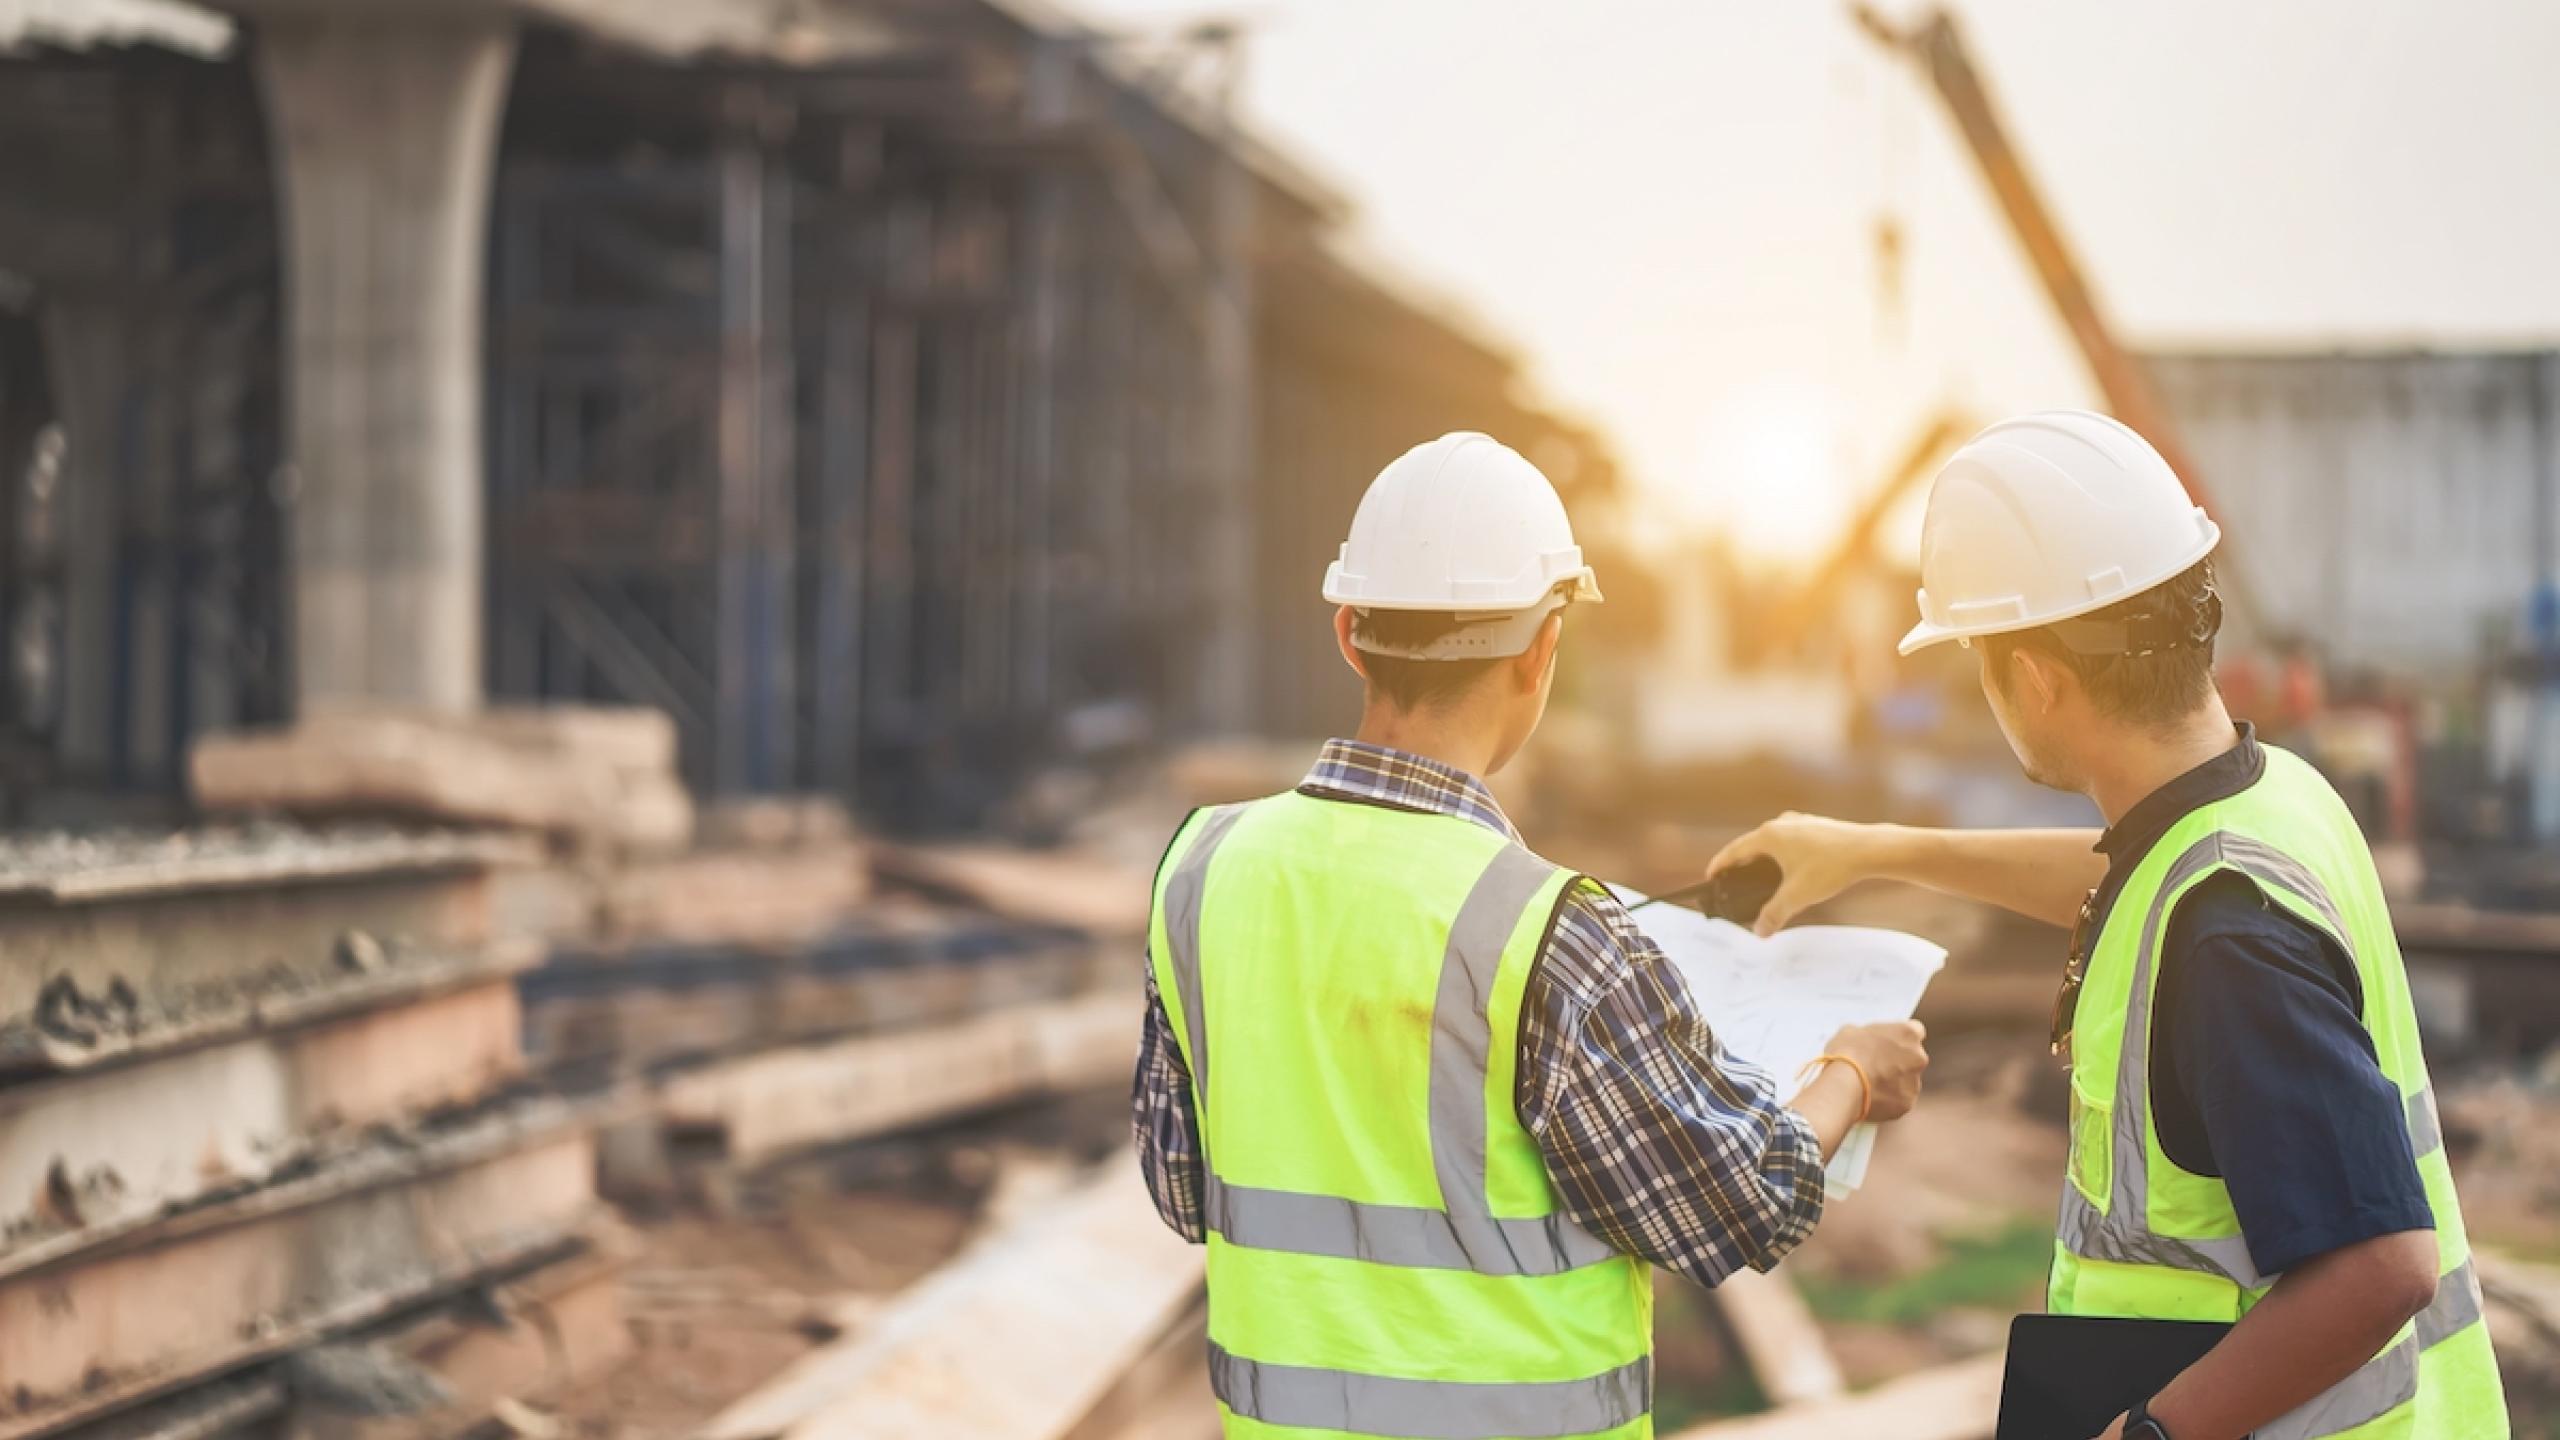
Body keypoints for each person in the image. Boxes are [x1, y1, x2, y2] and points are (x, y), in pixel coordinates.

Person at [1706, 411, 2507, 1440]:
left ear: (2035, 679)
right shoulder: (2267, 802)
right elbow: (2125, 880)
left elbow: (2381, 1265)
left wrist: (2150, 1435)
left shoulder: (2227, 940)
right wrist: (1871, 849)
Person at [1133, 431, 1930, 1439]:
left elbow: (1179, 1187)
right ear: (1542, 649)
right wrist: (1851, 1072)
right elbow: (1738, 1201)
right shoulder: (1549, 933)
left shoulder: (1204, 868)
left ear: (1348, 633)